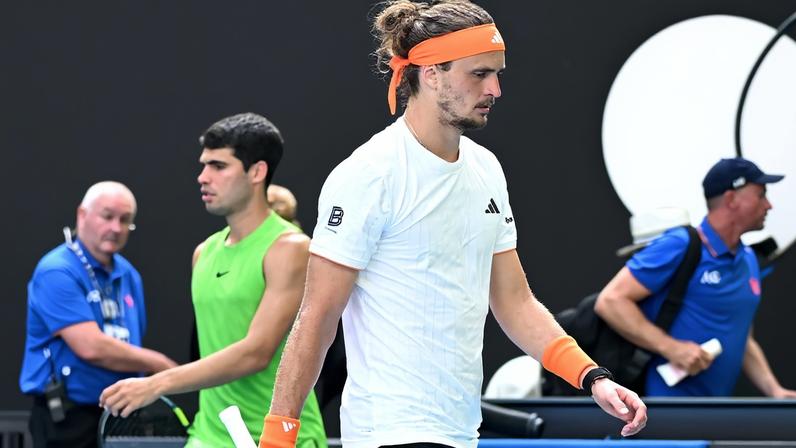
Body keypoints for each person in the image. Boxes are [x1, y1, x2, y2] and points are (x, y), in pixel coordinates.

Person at [259, 2, 647, 447]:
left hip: (460, 432)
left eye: (497, 73)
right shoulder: (370, 173)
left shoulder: (487, 170)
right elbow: (318, 316)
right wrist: (278, 436)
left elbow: (514, 301)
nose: (495, 89)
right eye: (479, 74)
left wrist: (592, 376)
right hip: (389, 432)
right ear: (430, 74)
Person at [100, 113, 327, 447]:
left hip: (281, 438)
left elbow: (256, 353)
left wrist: (156, 383)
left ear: (257, 172)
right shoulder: (203, 253)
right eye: (204, 165)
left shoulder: (290, 249)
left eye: (219, 166)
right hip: (208, 437)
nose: (203, 177)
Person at [595, 157, 796, 397]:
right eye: (761, 194)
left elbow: (742, 334)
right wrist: (671, 348)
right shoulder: (680, 244)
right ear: (731, 199)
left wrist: (773, 389)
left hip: (715, 412)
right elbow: (611, 301)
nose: (769, 205)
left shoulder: (748, 258)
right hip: (665, 410)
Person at [20, 181, 178, 448]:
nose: (116, 228)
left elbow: (131, 340)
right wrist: (161, 365)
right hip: (68, 418)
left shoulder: (128, 275)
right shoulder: (57, 270)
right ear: (82, 214)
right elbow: (91, 347)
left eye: (125, 220)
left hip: (121, 416)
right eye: (107, 216)